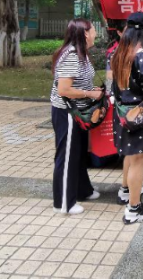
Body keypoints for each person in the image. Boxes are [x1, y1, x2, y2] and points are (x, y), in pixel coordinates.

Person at [50, 19, 103, 215]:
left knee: (78, 153)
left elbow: (78, 81)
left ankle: (82, 190)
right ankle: (64, 202)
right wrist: (90, 94)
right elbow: (64, 90)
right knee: (67, 155)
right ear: (85, 33)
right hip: (67, 112)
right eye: (93, 30)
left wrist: (91, 89)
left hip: (77, 112)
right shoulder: (72, 55)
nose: (96, 33)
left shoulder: (80, 53)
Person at [111, 12, 143, 223]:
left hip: (122, 115)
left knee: (130, 156)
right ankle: (134, 209)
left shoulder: (118, 54)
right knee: (138, 161)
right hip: (140, 117)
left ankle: (126, 192)